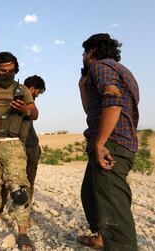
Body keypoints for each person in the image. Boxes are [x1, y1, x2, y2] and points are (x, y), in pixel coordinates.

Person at [78, 33, 139, 250]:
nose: (83, 57)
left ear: (91, 52)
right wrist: (83, 87)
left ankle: (120, 244)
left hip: (111, 144)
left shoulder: (100, 66)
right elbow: (92, 110)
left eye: (84, 52)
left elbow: (113, 101)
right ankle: (102, 237)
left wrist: (100, 143)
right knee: (90, 194)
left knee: (113, 207)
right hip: (116, 142)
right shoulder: (122, 71)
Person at [0, 52, 38, 251]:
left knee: (18, 190)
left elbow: (34, 113)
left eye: (11, 71)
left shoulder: (22, 90)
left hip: (13, 145)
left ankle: (22, 234)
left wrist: (24, 111)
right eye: (4, 71)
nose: (8, 74)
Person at [23, 75, 46, 208]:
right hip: (29, 145)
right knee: (29, 181)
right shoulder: (27, 100)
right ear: (32, 89)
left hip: (26, 144)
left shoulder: (14, 96)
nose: (37, 96)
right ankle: (25, 210)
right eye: (38, 92)